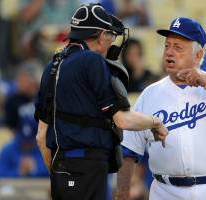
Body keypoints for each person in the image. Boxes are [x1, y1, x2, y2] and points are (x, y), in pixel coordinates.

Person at [34, 4, 168, 200]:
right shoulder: (92, 61)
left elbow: (41, 137)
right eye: (110, 35)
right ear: (100, 35)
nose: (111, 41)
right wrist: (155, 122)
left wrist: (58, 174)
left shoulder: (52, 66)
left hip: (61, 168)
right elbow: (122, 120)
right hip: (88, 166)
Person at [116, 17, 206, 200]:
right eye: (167, 46)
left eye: (178, 47)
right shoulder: (150, 94)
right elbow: (128, 152)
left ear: (198, 54)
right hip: (166, 191)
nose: (169, 53)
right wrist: (122, 194)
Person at [0, 101, 48, 178]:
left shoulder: (44, 150)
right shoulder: (7, 149)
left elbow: (53, 175)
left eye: (29, 141)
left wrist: (34, 170)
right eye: (23, 141)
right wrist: (19, 172)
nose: (26, 144)